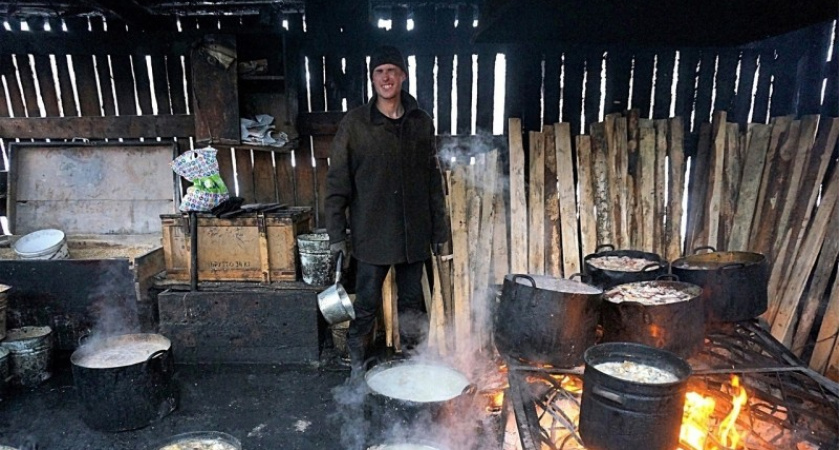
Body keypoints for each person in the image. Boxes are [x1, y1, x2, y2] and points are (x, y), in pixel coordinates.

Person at [325, 45, 450, 378]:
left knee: (412, 306)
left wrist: (441, 233)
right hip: (372, 233)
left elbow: (432, 181)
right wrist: (337, 234)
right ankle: (357, 368)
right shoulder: (355, 125)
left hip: (414, 235)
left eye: (392, 71)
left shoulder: (421, 123)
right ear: (372, 79)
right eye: (379, 72)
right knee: (365, 307)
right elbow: (338, 181)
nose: (386, 78)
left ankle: (414, 368)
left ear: (403, 76)